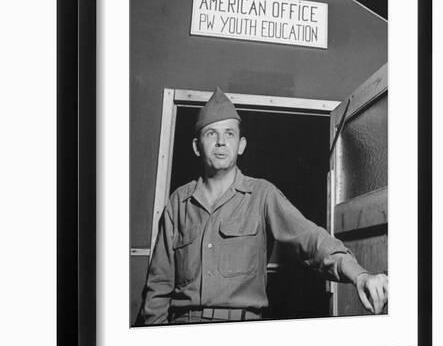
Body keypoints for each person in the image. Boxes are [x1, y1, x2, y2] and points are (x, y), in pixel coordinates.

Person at [141, 87, 388, 324]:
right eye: (210, 133)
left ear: (241, 145)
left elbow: (311, 239)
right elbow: (159, 286)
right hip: (183, 331)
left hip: (241, 331)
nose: (220, 142)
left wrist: (359, 274)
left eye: (229, 134)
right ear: (197, 146)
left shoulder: (262, 195)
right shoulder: (179, 202)